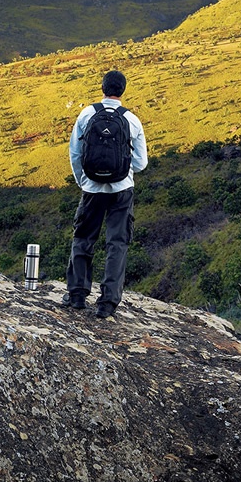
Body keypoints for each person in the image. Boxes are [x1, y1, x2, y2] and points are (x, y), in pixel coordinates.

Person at [63, 69, 148, 319]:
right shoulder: (132, 119)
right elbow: (141, 163)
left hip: (91, 189)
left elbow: (75, 153)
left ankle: (77, 294)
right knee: (117, 244)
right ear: (122, 91)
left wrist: (84, 180)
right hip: (122, 189)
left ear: (102, 88)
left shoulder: (87, 113)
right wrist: (120, 169)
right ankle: (108, 303)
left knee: (83, 238)